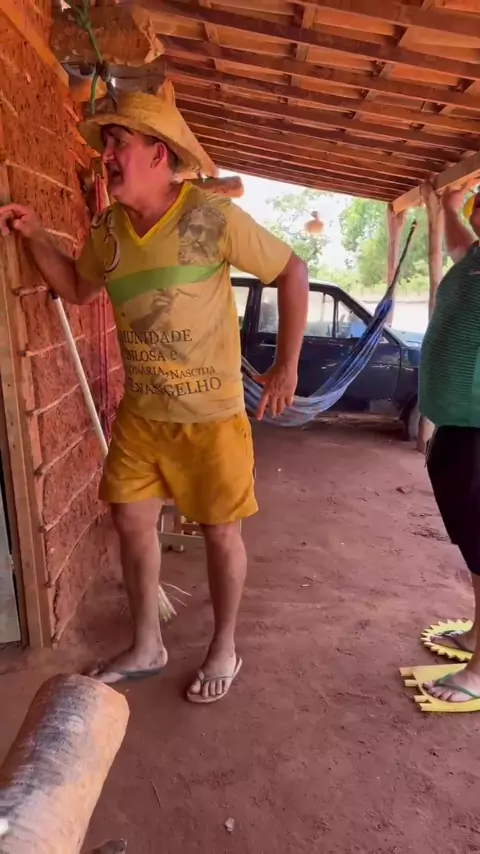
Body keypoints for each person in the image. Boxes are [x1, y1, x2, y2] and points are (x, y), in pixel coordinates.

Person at [0, 82, 309, 703]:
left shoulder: (210, 218)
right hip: (142, 415)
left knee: (220, 533)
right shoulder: (109, 231)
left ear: (158, 154)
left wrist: (287, 366)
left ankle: (224, 646)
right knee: (131, 520)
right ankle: (147, 645)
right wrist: (34, 237)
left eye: (118, 143)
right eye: (106, 146)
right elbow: (77, 288)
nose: (107, 157)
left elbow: (291, 270)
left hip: (211, 416)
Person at [420, 183, 480, 703]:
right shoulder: (476, 256)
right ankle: (478, 637)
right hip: (459, 426)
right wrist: (448, 206)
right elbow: (461, 243)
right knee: (474, 545)